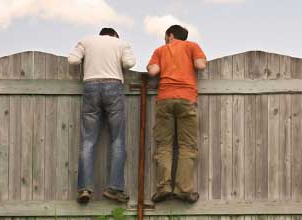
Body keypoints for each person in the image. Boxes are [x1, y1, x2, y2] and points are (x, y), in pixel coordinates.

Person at [68, 27, 136, 204]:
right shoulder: (121, 43)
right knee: (118, 140)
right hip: (113, 86)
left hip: (90, 87)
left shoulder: (86, 40)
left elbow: (73, 60)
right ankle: (114, 188)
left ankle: (84, 189)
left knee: (87, 140)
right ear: (114, 36)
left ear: (101, 34)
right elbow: (129, 64)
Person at [146, 25, 207, 203]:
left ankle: (163, 188)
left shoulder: (160, 50)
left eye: (165, 37)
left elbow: (152, 71)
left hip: (164, 99)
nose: (165, 40)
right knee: (187, 146)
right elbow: (200, 65)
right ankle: (184, 190)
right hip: (186, 99)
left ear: (170, 35)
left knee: (164, 145)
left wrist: (154, 63)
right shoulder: (192, 46)